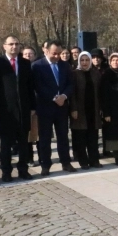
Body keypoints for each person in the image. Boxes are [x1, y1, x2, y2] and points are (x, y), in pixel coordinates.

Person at [0, 35, 35, 182]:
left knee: (23, 143)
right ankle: (6, 172)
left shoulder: (25, 63)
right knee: (6, 144)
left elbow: (30, 87)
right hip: (5, 109)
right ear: (4, 46)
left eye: (16, 44)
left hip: (23, 109)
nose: (14, 47)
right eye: (11, 44)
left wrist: (32, 107)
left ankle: (23, 169)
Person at [31, 40, 77, 176]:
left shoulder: (65, 66)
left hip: (62, 106)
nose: (57, 56)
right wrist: (53, 97)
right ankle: (45, 164)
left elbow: (70, 84)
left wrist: (63, 96)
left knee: (63, 135)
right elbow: (37, 86)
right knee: (45, 137)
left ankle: (66, 162)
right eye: (54, 54)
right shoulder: (37, 66)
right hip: (45, 106)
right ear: (46, 51)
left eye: (59, 53)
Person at [69, 52, 102, 169]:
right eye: (82, 60)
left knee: (93, 137)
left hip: (93, 109)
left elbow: (100, 91)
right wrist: (73, 109)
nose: (84, 62)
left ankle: (94, 160)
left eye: (87, 60)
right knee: (80, 137)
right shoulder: (75, 74)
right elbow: (72, 93)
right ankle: (83, 161)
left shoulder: (95, 73)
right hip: (79, 110)